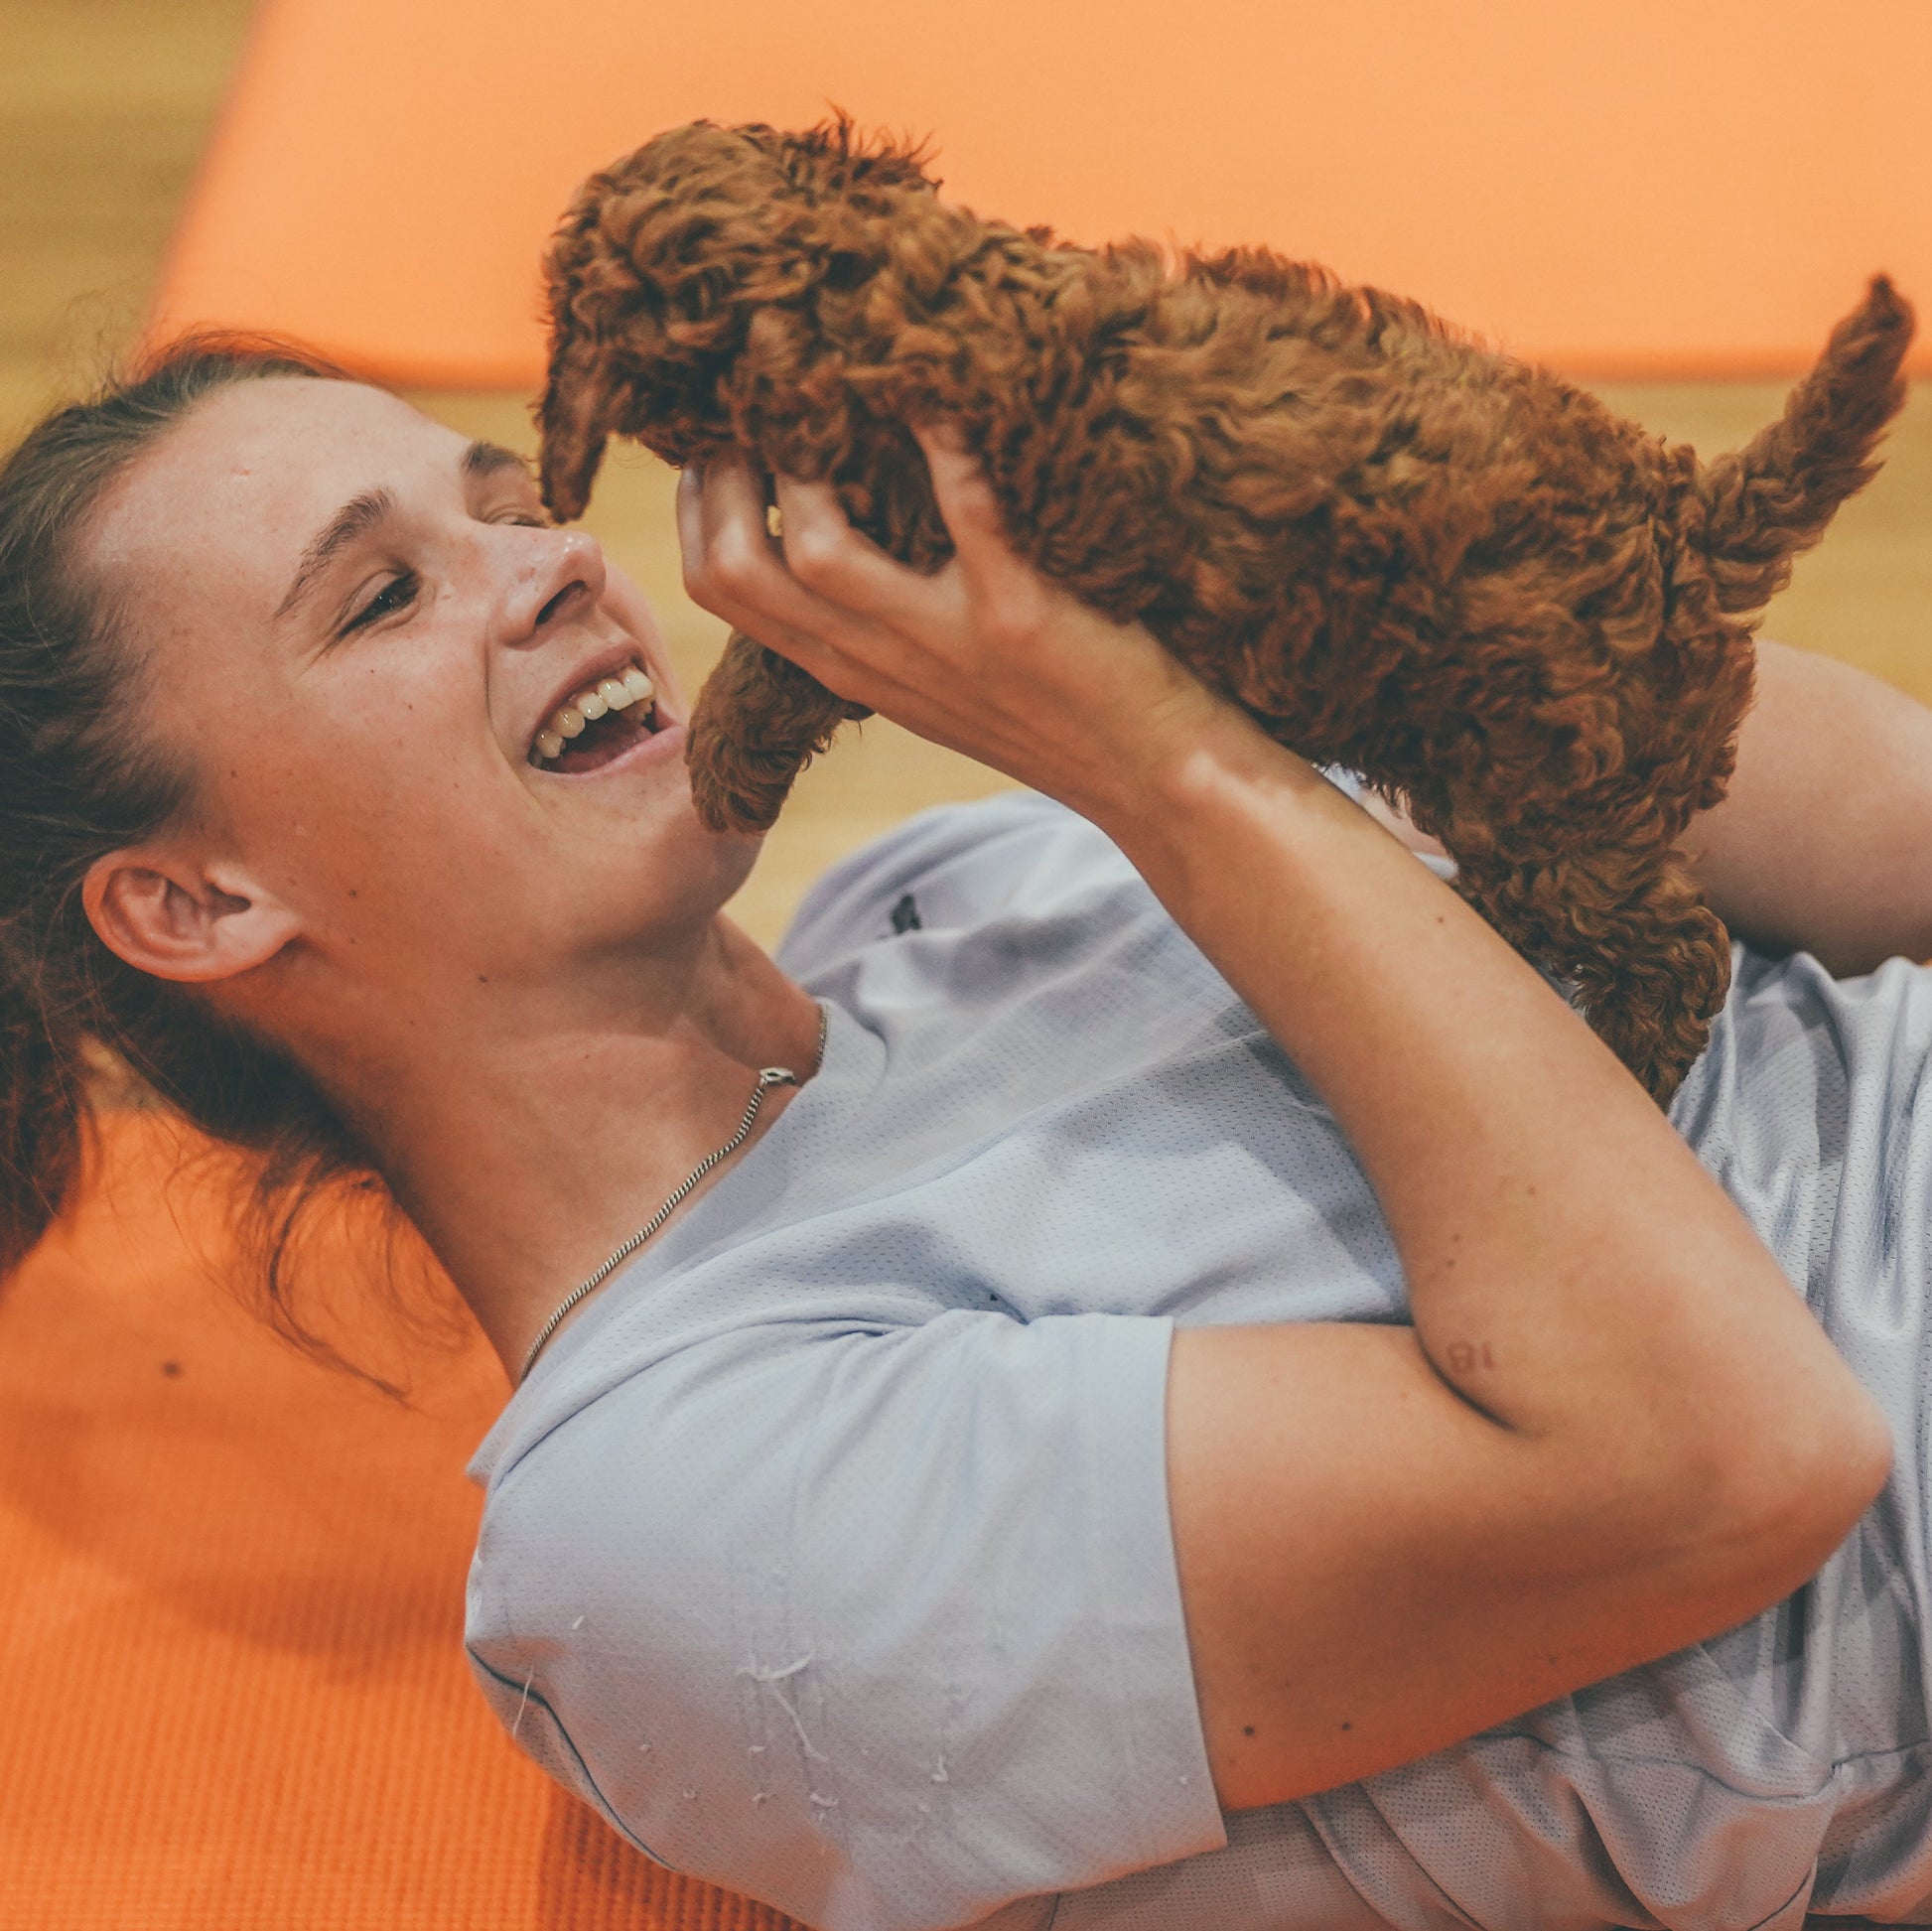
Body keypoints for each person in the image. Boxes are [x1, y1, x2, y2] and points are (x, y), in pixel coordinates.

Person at [1, 337, 1926, 1931]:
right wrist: (1165, 758)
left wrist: (1313, 577)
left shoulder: (944, 891)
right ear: (194, 906)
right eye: (384, 594)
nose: (553, 565)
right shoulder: (665, 1521)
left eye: (509, 502)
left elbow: (1885, 839)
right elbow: (1735, 1455)